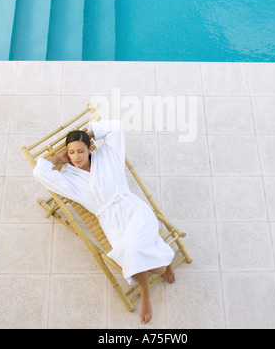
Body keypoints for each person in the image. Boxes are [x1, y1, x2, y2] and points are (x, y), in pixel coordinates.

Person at [33, 119, 175, 324]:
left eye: (80, 151)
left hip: (134, 211)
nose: (76, 157)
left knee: (134, 248)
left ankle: (146, 292)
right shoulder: (67, 177)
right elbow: (39, 172)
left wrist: (86, 135)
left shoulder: (107, 155)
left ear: (90, 148)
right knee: (133, 251)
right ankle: (163, 261)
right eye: (71, 153)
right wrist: (58, 158)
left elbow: (116, 127)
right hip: (111, 222)